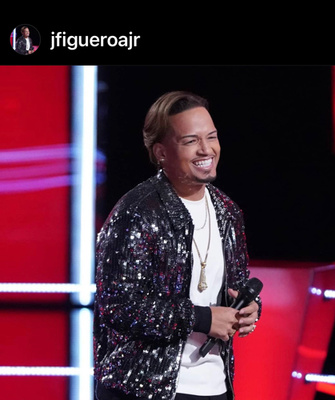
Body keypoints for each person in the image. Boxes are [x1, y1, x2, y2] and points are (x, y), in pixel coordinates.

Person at [93, 91, 262, 400]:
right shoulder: (137, 212)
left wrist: (249, 310)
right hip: (144, 388)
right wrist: (203, 319)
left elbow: (235, 287)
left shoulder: (228, 212)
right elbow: (118, 305)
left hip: (216, 385)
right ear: (161, 152)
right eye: (190, 141)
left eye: (211, 137)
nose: (206, 149)